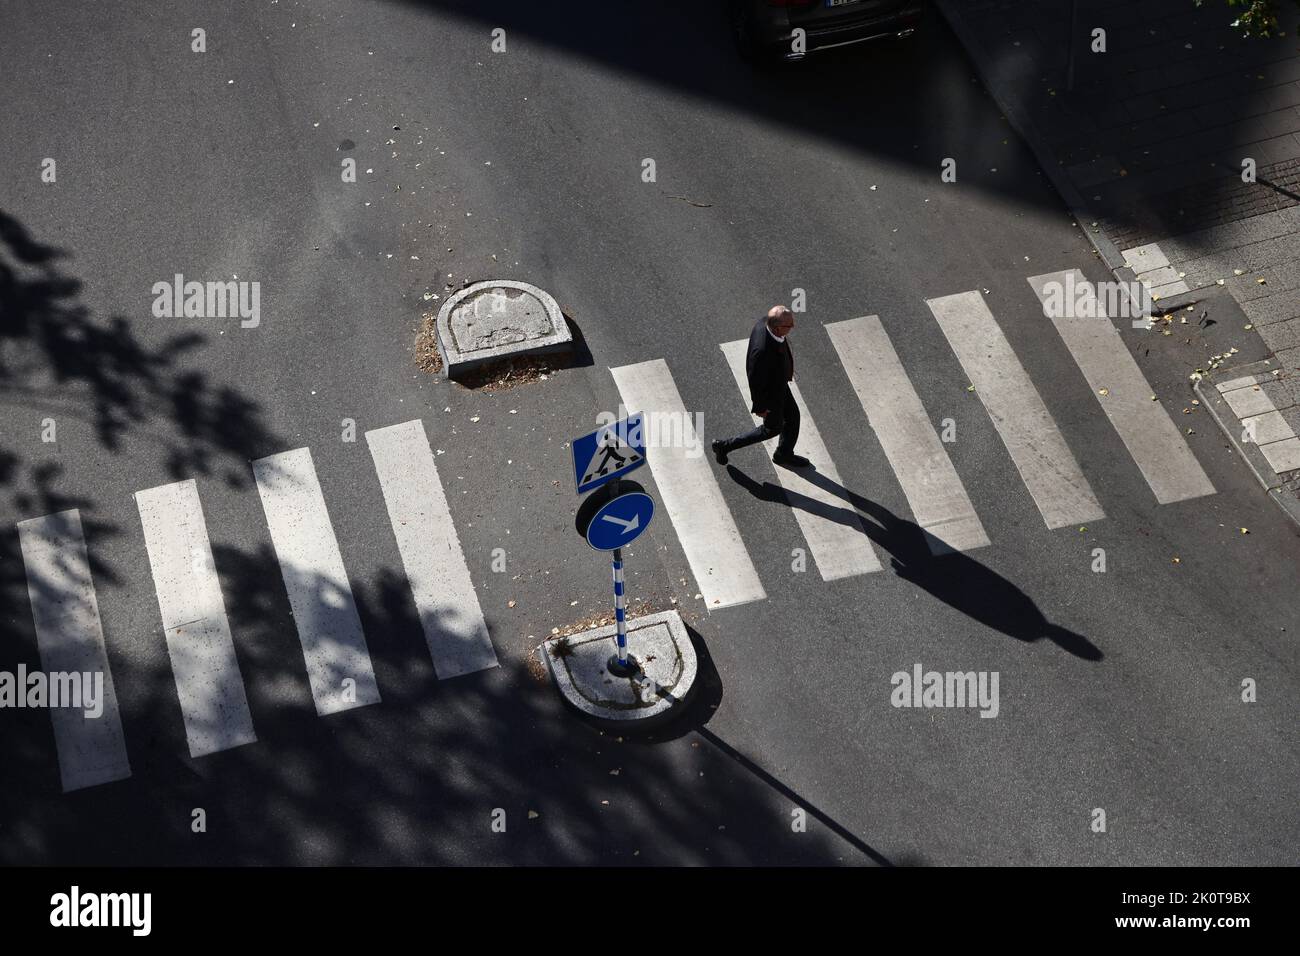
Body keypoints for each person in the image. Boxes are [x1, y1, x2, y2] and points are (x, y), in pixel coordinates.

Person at [712, 305, 811, 469]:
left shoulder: (766, 323)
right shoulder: (762, 351)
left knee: (793, 417)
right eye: (789, 325)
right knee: (771, 429)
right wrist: (760, 407)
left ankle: (783, 454)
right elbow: (755, 380)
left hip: (778, 384)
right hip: (770, 394)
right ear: (778, 327)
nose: (793, 326)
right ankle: (725, 446)